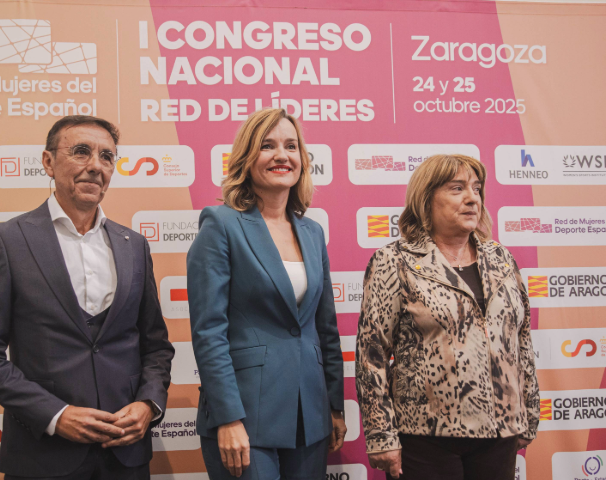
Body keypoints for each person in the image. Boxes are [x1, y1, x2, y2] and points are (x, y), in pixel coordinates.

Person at [0, 115, 174, 480]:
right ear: (48, 162)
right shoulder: (8, 241)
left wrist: (148, 404)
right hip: (43, 455)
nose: (95, 166)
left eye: (107, 157)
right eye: (81, 152)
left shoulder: (134, 245)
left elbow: (155, 346)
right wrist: (55, 415)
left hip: (125, 455)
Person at [355, 154, 539, 480]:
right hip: (426, 437)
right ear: (427, 199)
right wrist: (381, 434)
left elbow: (521, 340)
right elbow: (372, 355)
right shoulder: (394, 260)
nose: (472, 198)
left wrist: (529, 412)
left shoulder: (501, 259)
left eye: (477, 189)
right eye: (457, 188)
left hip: (500, 433)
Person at [186, 108, 347, 479]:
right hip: (245, 417)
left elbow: (326, 327)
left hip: (310, 415)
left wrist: (334, 405)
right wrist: (228, 417)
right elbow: (209, 332)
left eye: (291, 146)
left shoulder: (312, 232)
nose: (282, 155)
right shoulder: (221, 224)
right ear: (246, 158)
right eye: (267, 146)